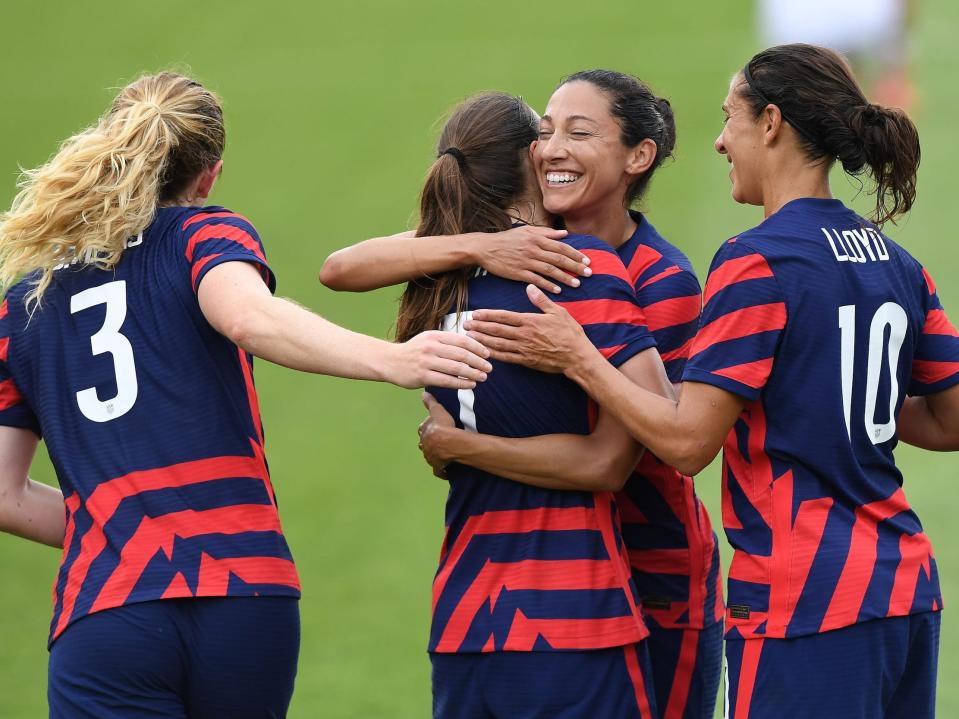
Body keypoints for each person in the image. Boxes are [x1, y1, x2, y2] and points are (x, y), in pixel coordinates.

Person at [463, 44, 959, 718]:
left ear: (772, 123)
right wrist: (819, 383)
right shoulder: (898, 261)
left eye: (730, 120)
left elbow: (687, 441)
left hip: (804, 601)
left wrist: (577, 356)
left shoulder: (755, 261)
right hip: (905, 591)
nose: (721, 141)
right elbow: (946, 420)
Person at [0, 71, 492, 719]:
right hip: (244, 594)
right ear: (209, 175)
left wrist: (118, 528)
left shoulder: (25, 300)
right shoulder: (205, 234)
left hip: (109, 609)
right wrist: (391, 358)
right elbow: (248, 318)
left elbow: (5, 493)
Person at [324, 71, 724, 719]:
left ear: (635, 158)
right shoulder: (524, 258)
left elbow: (672, 440)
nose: (554, 148)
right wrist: (485, 242)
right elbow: (340, 267)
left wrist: (468, 441)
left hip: (653, 574)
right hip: (576, 588)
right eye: (544, 133)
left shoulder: (657, 279)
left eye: (577, 131)